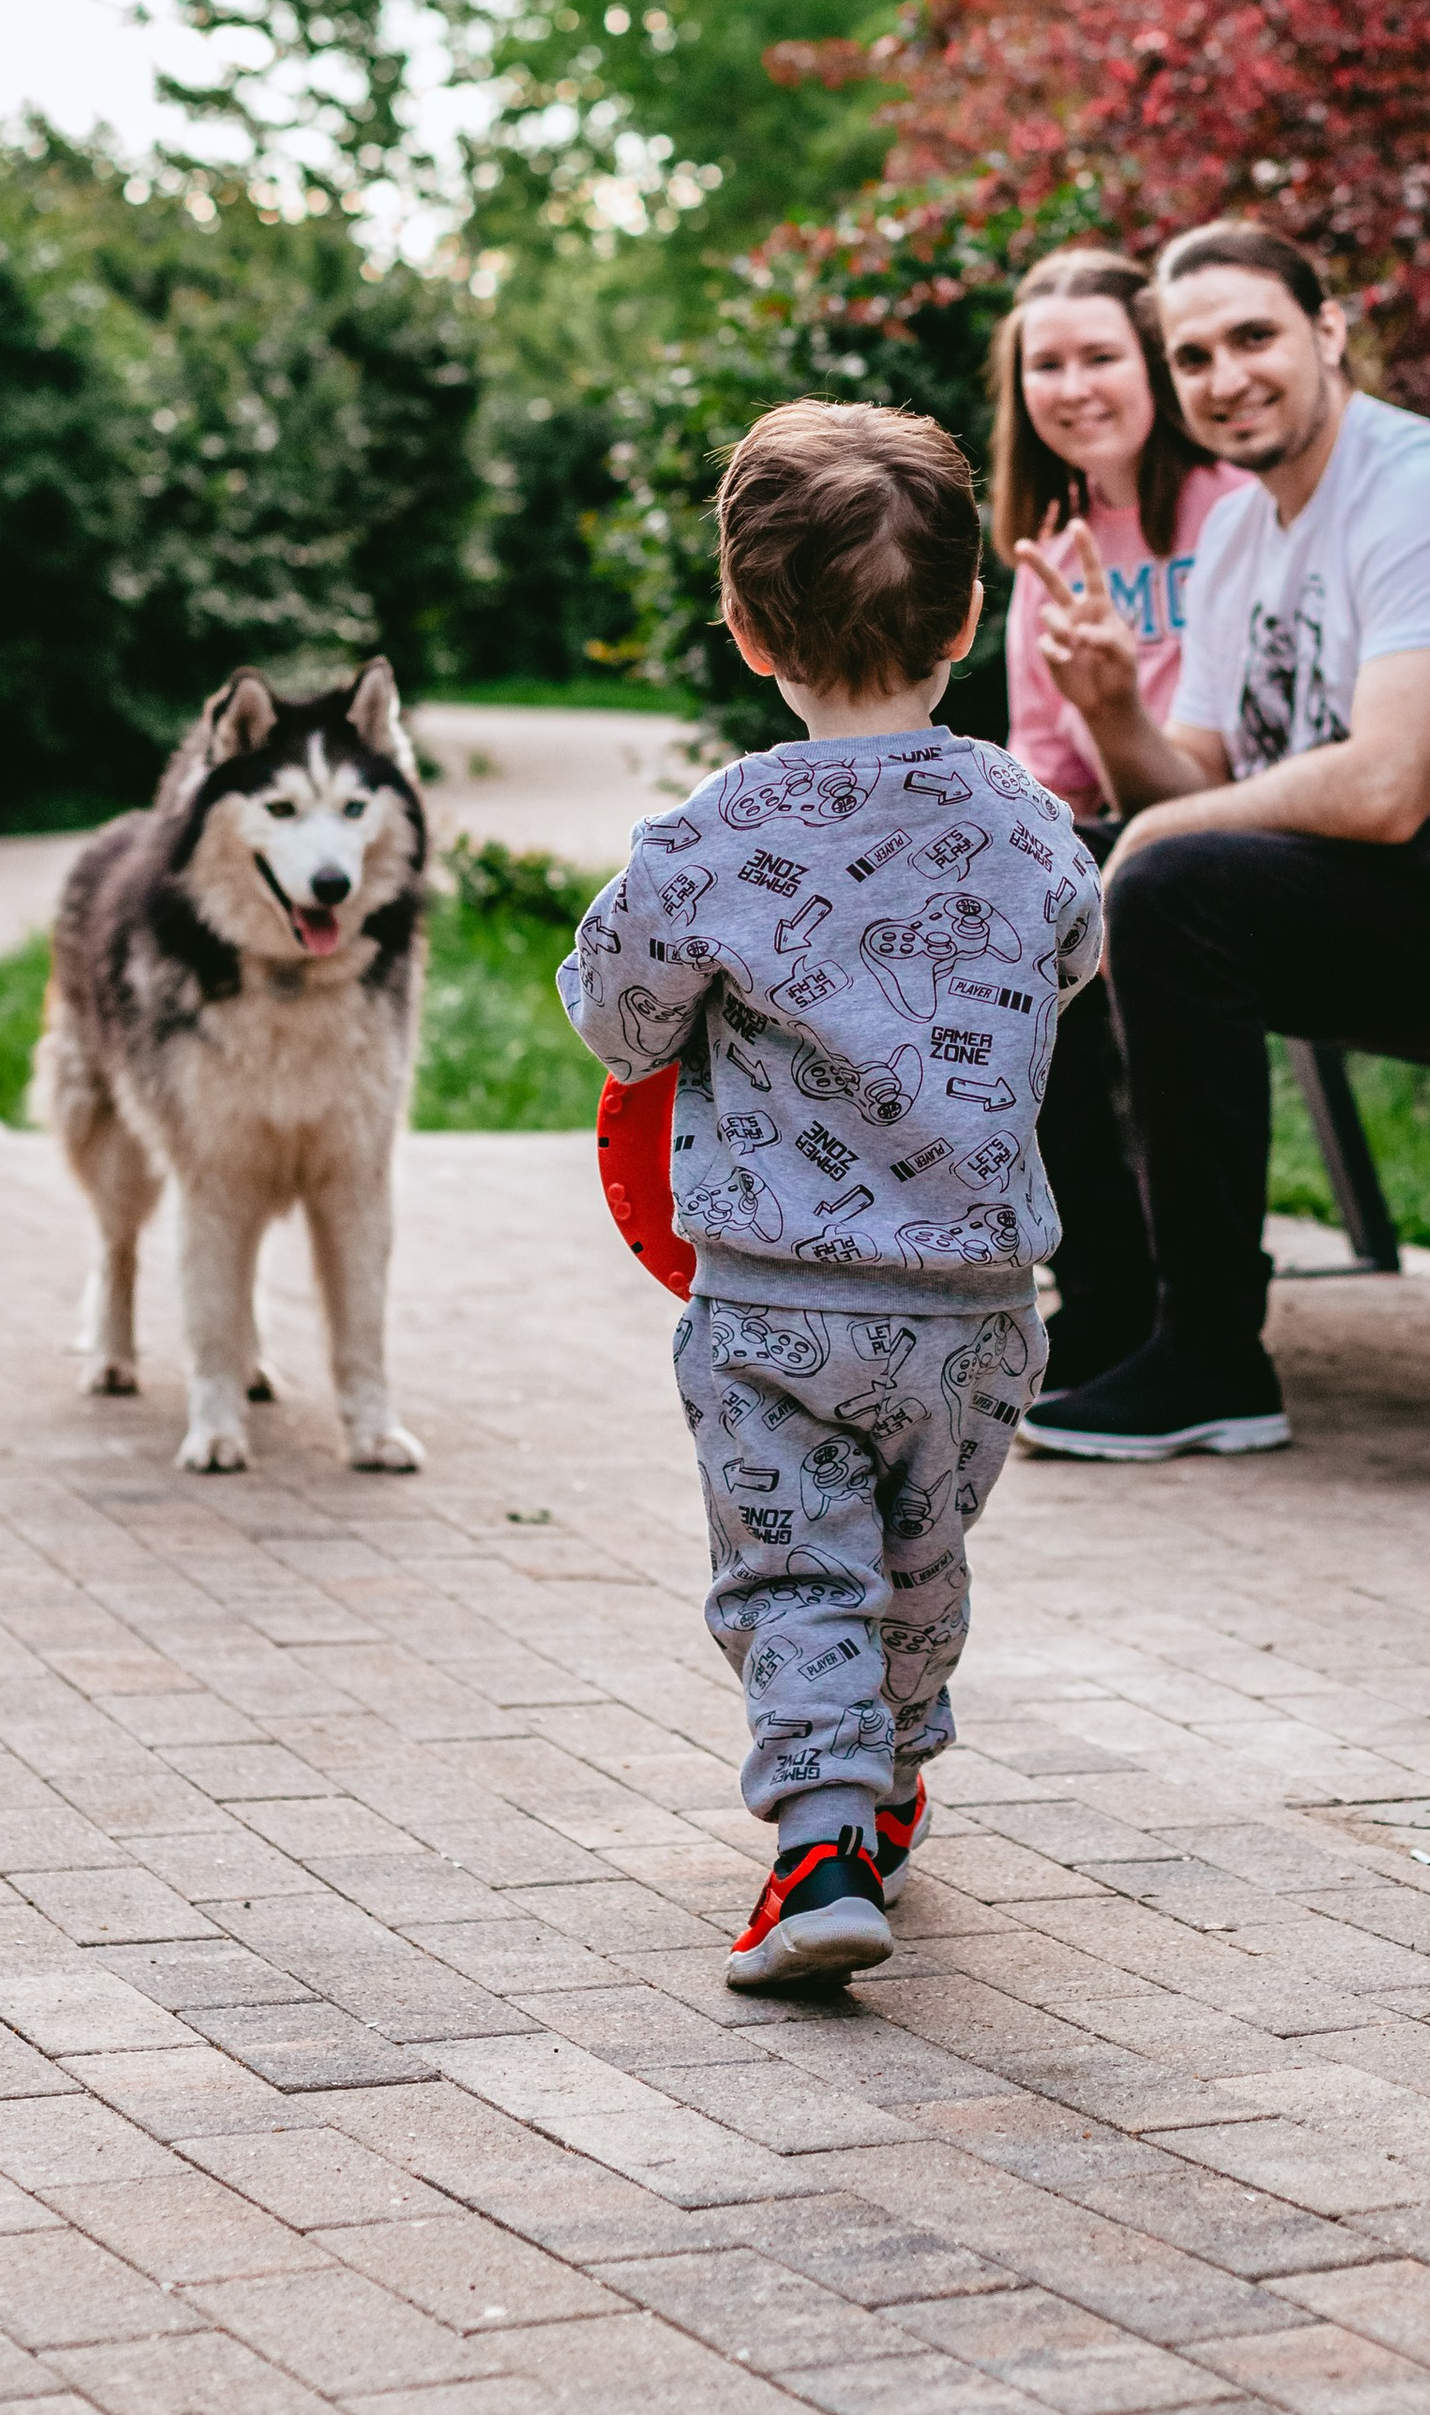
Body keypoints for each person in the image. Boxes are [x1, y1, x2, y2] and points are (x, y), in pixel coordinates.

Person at [558, 399, 1103, 1988]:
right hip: (976, 1310)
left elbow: (618, 1018)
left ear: (743, 629)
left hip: (774, 1309)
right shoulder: (1026, 816)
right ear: (970, 616)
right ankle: (888, 1771)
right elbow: (1076, 954)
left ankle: (821, 1847)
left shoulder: (712, 834)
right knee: (919, 1570)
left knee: (801, 1571)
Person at [1012, 220, 1430, 1464]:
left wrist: (1148, 838)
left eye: (1254, 337)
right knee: (1048, 882)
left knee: (1166, 880)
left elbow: (1388, 788)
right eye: (1193, 357)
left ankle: (1212, 1355)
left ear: (1329, 329)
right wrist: (1111, 709)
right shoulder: (1243, 533)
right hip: (1379, 885)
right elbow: (1194, 777)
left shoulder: (1425, 489)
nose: (1225, 377)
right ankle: (1114, 1313)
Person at [991, 249, 1237, 1391]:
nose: (1074, 386)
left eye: (1101, 355)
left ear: (1154, 366)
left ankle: (1133, 1301)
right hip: (1115, 846)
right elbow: (1045, 772)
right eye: (1046, 364)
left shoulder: (1234, 509)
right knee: (1004, 905)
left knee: (1082, 894)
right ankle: (1098, 1285)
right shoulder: (1052, 548)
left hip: (1233, 842)